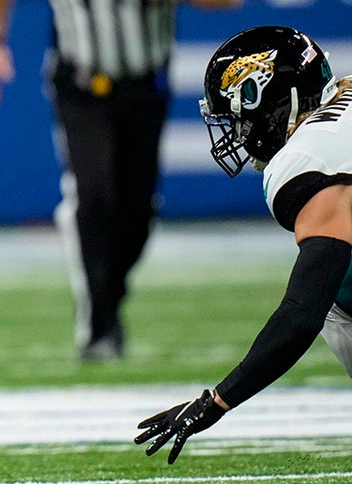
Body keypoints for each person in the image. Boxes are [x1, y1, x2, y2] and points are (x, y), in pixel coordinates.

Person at [0, 0, 244, 362]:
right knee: (95, 196)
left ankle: (109, 300)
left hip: (146, 85)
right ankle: (99, 326)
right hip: (82, 85)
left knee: (139, 212)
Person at [134, 25, 351, 463]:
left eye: (236, 115)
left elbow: (301, 314)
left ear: (266, 98)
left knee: (334, 300)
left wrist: (218, 401)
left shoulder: (305, 160)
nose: (237, 131)